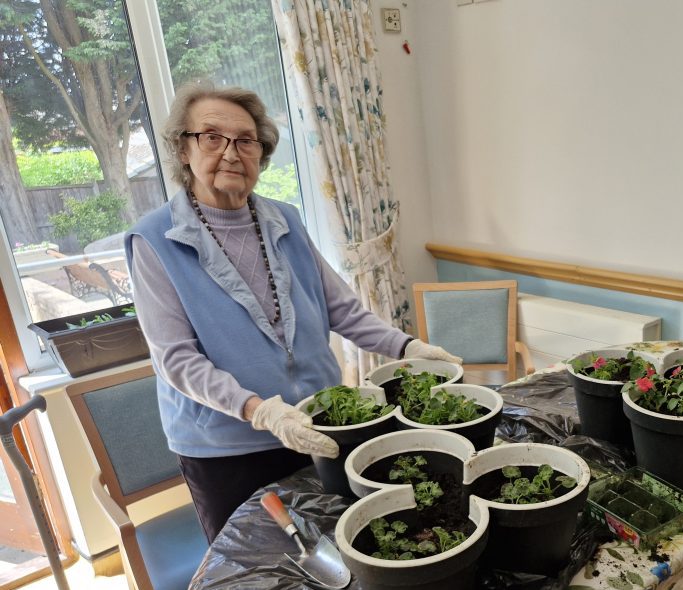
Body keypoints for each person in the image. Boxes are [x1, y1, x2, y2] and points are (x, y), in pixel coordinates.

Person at [125, 82, 459, 543]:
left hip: (320, 425)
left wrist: (409, 346)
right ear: (183, 148)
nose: (230, 152)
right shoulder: (154, 240)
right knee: (258, 566)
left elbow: (342, 310)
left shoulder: (284, 220)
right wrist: (261, 412)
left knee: (336, 545)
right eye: (211, 137)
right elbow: (176, 360)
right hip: (229, 449)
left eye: (246, 140)